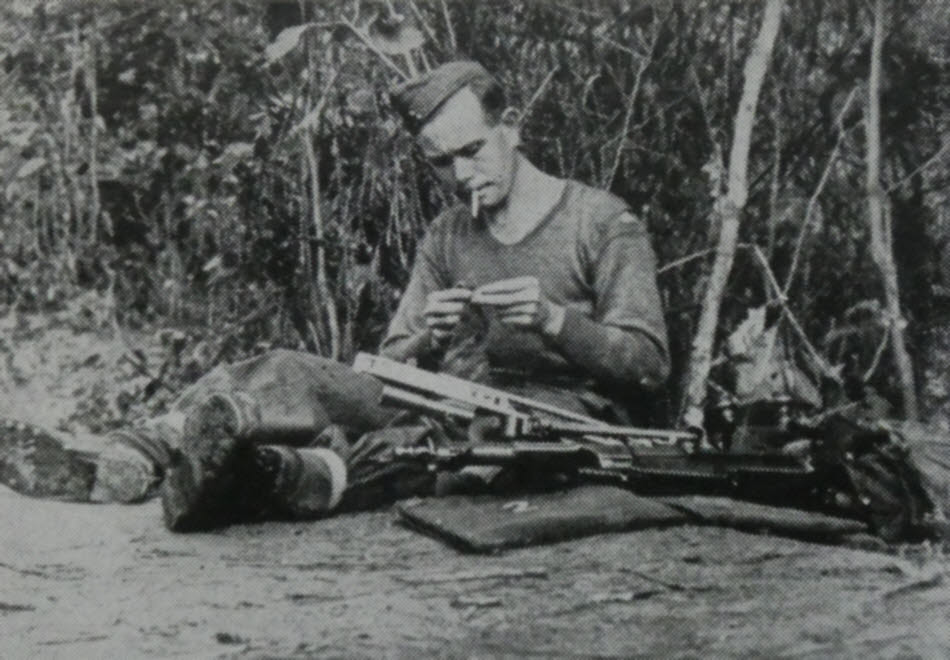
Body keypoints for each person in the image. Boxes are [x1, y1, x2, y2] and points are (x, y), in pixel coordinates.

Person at [0, 61, 670, 532]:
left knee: (437, 445)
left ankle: (259, 479)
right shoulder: (446, 235)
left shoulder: (599, 221)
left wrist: (556, 320)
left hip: (554, 421)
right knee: (293, 371)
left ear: (513, 126)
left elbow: (647, 364)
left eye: (472, 150)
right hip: (448, 395)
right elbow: (390, 363)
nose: (461, 174)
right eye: (440, 162)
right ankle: (128, 461)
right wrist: (430, 337)